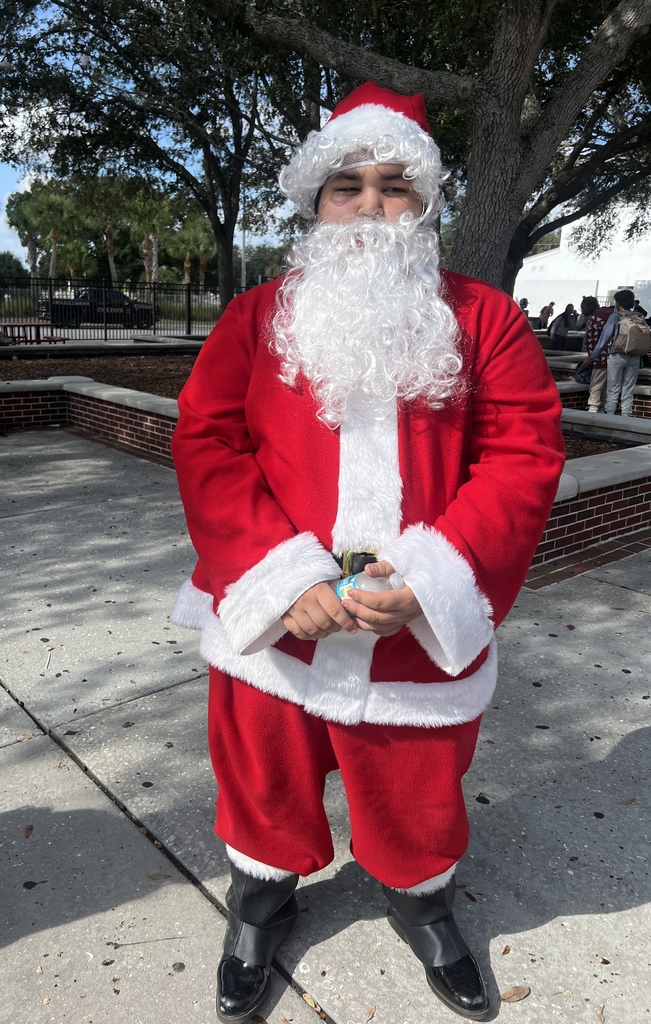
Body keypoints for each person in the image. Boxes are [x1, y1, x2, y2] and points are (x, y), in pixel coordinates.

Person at [170, 82, 565, 1023]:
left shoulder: (485, 319)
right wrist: (284, 576)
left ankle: (422, 900)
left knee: (418, 789)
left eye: (395, 185)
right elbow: (207, 443)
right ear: (315, 203)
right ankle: (260, 901)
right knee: (263, 775)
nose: (371, 205)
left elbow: (522, 452)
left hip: (412, 623)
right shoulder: (254, 316)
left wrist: (433, 579)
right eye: (346, 185)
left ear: (425, 204)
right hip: (280, 621)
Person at [580, 288, 644, 416]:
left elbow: (604, 338)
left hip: (617, 354)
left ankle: (610, 418)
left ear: (618, 302)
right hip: (635, 356)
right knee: (628, 389)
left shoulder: (615, 316)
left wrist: (592, 356)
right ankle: (626, 417)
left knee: (612, 389)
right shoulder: (639, 316)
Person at [582, 300, 614, 413]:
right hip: (614, 356)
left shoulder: (596, 317)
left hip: (600, 356)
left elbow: (591, 338)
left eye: (583, 308)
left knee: (596, 384)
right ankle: (602, 408)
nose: (582, 311)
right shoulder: (612, 315)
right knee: (606, 385)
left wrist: (591, 357)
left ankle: (593, 408)